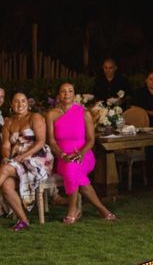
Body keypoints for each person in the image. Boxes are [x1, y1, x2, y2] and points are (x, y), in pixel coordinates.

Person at [47, 82, 116, 224]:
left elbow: (91, 140)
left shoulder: (85, 113)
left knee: (73, 168)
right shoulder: (51, 115)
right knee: (71, 169)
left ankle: (72, 210)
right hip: (63, 157)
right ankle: (102, 209)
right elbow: (51, 141)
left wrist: (81, 153)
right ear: (58, 95)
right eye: (63, 91)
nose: (66, 94)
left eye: (70, 91)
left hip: (84, 156)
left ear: (74, 94)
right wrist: (62, 155)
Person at [0, 91, 54, 230]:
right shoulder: (8, 122)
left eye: (23, 101)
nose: (20, 104)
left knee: (5, 169)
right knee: (6, 185)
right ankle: (23, 220)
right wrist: (6, 157)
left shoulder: (34, 117)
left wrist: (23, 156)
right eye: (16, 101)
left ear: (28, 104)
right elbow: (6, 145)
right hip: (16, 160)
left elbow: (41, 142)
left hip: (38, 157)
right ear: (11, 104)